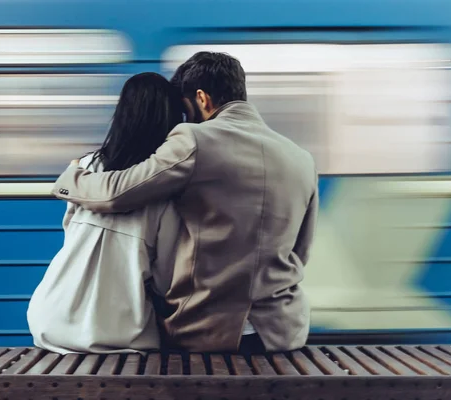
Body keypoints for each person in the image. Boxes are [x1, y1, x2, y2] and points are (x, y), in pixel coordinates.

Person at [52, 52, 319, 353]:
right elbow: (302, 250)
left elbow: (117, 193)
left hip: (209, 333)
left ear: (202, 98)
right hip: (283, 331)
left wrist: (71, 177)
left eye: (185, 108)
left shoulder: (195, 139)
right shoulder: (301, 158)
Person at [27, 72, 183, 354]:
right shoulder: (166, 187)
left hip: (49, 317)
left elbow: (70, 232)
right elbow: (165, 279)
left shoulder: (86, 166)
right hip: (116, 334)